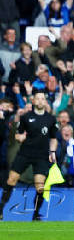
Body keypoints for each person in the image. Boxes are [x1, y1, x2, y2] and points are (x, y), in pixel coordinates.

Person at [0, 91, 58, 221]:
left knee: (40, 186)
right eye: (37, 98)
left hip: (41, 156)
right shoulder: (26, 117)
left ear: (45, 101)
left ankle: (36, 214)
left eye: (42, 99)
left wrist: (52, 152)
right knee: (11, 180)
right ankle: (0, 210)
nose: (40, 101)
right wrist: (19, 137)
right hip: (25, 153)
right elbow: (18, 134)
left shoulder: (51, 119)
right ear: (33, 101)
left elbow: (54, 138)